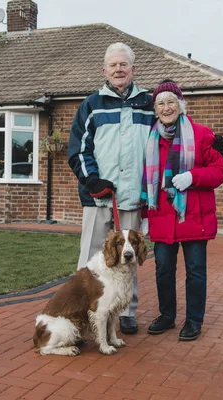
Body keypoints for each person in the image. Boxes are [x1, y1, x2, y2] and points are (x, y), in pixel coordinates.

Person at [67, 42, 154, 334]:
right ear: (104, 70)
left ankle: (125, 311)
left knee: (128, 259)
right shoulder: (91, 105)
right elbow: (79, 148)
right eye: (113, 65)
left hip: (131, 198)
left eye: (124, 64)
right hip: (97, 197)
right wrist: (91, 179)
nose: (118, 69)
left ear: (133, 69)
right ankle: (81, 310)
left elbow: (170, 132)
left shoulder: (148, 103)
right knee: (91, 258)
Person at [141, 79, 223, 341]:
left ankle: (193, 321)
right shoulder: (150, 138)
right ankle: (167, 316)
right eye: (160, 103)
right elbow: (143, 177)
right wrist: (145, 214)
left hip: (193, 216)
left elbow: (220, 171)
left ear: (180, 105)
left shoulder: (201, 134)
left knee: (195, 271)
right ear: (155, 109)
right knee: (163, 270)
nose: (166, 108)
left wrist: (193, 176)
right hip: (162, 216)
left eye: (170, 102)